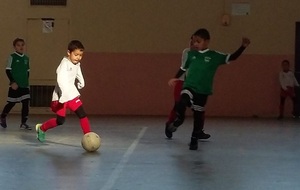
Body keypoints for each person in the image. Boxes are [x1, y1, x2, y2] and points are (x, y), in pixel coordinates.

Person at [165, 28, 250, 150]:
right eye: (193, 41)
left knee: (198, 116)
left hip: (203, 91)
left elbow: (232, 57)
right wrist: (175, 78)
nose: (195, 44)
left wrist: (243, 47)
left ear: (206, 42)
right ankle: (180, 119)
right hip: (189, 86)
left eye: (198, 41)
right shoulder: (191, 54)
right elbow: (183, 68)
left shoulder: (214, 56)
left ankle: (194, 139)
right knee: (182, 100)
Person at [36, 40, 91, 142]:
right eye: (76, 55)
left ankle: (88, 136)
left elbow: (78, 71)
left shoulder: (76, 63)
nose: (78, 57)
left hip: (72, 94)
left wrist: (82, 81)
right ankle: (42, 128)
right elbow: (60, 79)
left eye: (80, 55)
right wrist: (64, 94)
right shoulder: (64, 64)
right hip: (61, 96)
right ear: (69, 53)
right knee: (60, 121)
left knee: (82, 114)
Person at [0, 38, 31, 130]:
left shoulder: (26, 58)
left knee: (26, 103)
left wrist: (26, 82)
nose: (21, 47)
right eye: (18, 45)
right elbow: (8, 70)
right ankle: (2, 117)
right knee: (11, 103)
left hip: (24, 85)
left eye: (22, 45)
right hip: (15, 85)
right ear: (14, 47)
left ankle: (23, 122)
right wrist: (12, 82)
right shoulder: (12, 57)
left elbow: (27, 72)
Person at [165, 38, 194, 131]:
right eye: (191, 42)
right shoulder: (187, 52)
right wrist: (175, 78)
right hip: (182, 82)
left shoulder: (202, 55)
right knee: (177, 104)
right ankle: (169, 123)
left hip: (192, 84)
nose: (192, 44)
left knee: (197, 108)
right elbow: (184, 68)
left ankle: (199, 130)